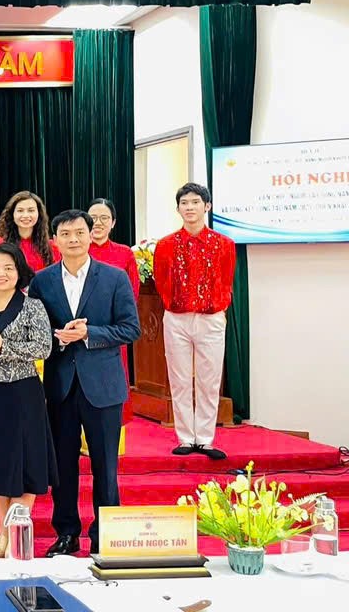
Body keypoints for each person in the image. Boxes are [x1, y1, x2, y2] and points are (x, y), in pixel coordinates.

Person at [28, 210, 141, 556]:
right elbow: (35, 330)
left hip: (103, 386)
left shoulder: (114, 277)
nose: (73, 239)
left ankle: (105, 535)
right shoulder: (42, 281)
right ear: (55, 240)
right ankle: (67, 532)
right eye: (65, 234)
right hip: (60, 385)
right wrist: (59, 338)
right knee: (63, 466)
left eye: (79, 232)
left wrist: (89, 333)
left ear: (91, 235)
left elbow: (130, 328)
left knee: (105, 466)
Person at [0, 244, 55, 557]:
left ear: (19, 271)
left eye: (8, 268)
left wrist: (4, 348)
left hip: (23, 392)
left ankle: (14, 530)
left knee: (27, 460)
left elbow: (44, 347)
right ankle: (3, 530)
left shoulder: (32, 306)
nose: (0, 273)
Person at [153, 183, 236, 460]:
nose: (189, 207)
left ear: (207, 206)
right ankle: (186, 437)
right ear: (178, 208)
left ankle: (206, 439)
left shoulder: (225, 244)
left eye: (195, 202)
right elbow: (161, 282)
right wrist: (177, 303)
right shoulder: (165, 245)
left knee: (209, 380)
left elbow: (226, 280)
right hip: (176, 318)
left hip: (211, 318)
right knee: (178, 379)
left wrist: (213, 305)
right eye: (184, 203)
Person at [86, 198, 140, 389]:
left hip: (114, 328)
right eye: (93, 218)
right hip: (80, 325)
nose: (98, 223)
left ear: (113, 223)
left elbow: (132, 293)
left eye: (104, 218)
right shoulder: (75, 251)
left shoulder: (125, 253)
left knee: (113, 382)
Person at [0, 191, 60, 272]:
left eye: (31, 210)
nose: (25, 215)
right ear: (12, 214)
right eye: (20, 210)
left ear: (39, 214)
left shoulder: (53, 247)